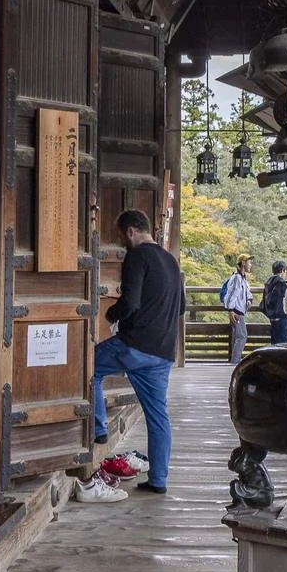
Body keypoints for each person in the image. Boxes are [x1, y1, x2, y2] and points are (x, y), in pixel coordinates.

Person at [84, 209, 182, 501]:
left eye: (119, 235)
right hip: (163, 351)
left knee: (87, 367)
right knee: (158, 415)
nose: (120, 241)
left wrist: (112, 313)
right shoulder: (171, 261)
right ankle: (158, 479)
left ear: (130, 231)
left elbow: (131, 301)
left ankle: (99, 430)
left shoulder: (137, 257)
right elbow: (182, 308)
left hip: (134, 345)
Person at [220, 255, 253, 362]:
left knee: (237, 336)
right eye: (249, 262)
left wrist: (249, 300)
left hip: (239, 310)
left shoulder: (243, 278)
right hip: (236, 312)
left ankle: (234, 361)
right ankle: (235, 361)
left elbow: (247, 292)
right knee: (242, 336)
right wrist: (230, 310)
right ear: (243, 263)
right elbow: (231, 296)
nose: (250, 265)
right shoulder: (236, 278)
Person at [262, 260, 287, 344]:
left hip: (272, 319)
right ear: (283, 270)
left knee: (274, 345)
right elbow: (286, 301)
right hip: (281, 319)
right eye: (285, 271)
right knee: (284, 346)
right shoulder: (282, 284)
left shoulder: (268, 283)